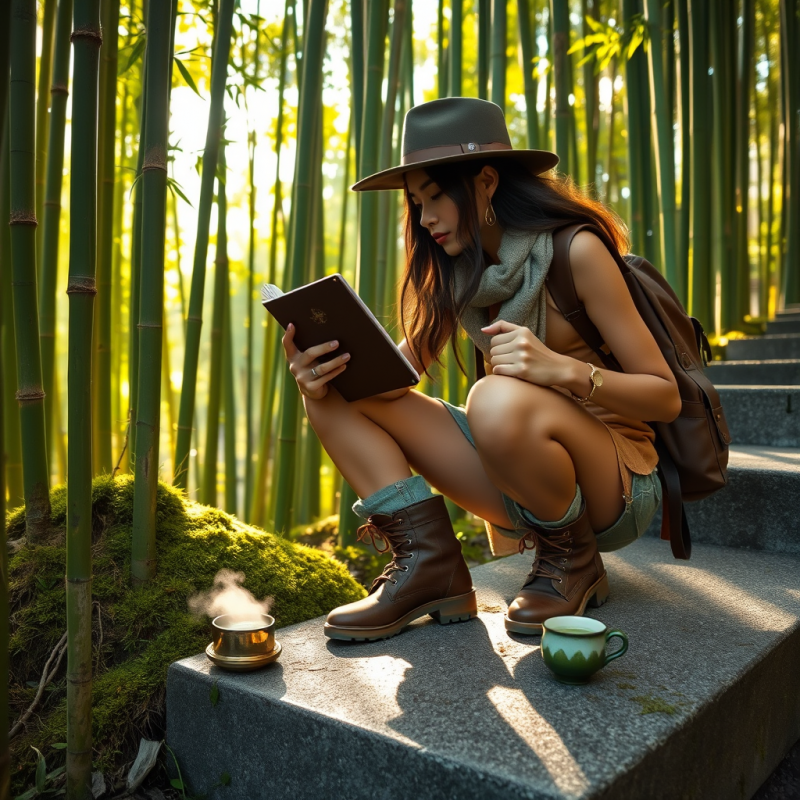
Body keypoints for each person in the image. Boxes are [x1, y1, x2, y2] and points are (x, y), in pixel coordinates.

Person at [281, 96, 681, 642]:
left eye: (435, 196)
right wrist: (321, 368)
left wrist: (561, 370)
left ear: (487, 181)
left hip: (617, 480)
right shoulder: (457, 273)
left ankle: (574, 560)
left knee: (493, 395)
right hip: (513, 468)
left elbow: (665, 397)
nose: (426, 219)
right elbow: (392, 381)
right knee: (336, 390)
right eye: (416, 202)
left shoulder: (576, 252)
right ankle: (429, 566)